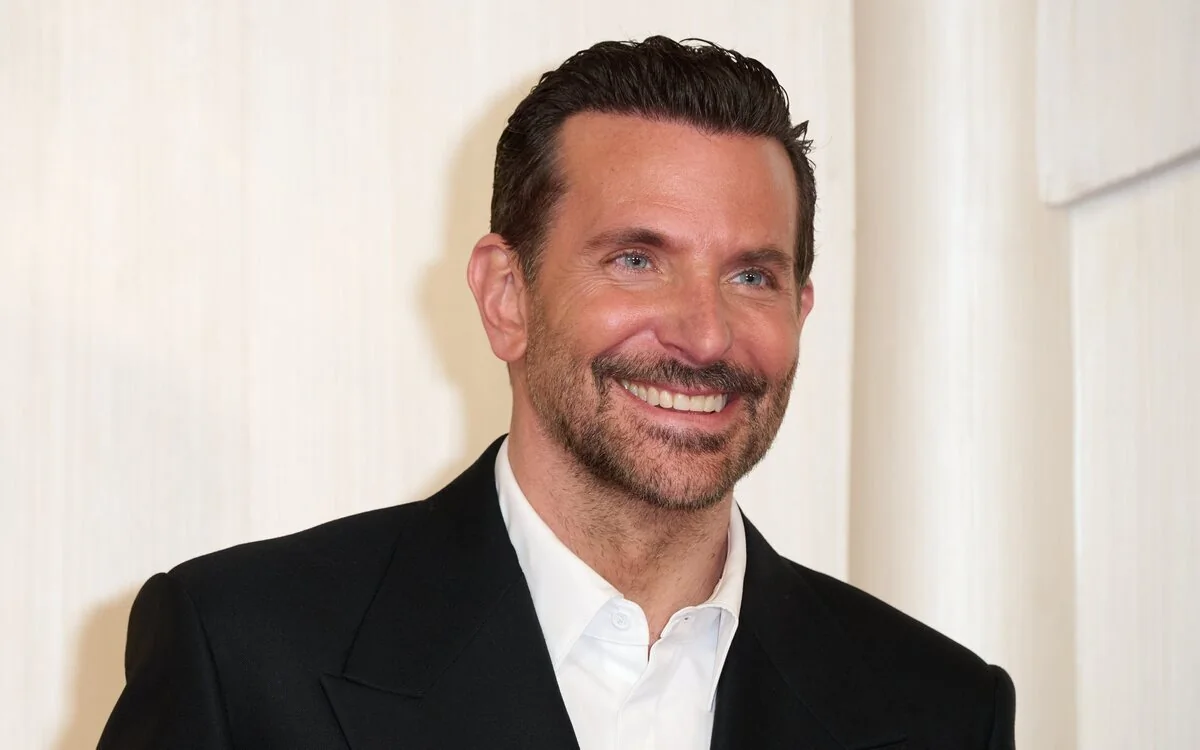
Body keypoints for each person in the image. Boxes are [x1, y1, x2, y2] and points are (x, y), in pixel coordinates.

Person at [99, 36, 1015, 750]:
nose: (704, 336)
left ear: (800, 312)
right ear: (508, 297)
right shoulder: (243, 658)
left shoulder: (940, 709)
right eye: (636, 260)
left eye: (752, 277)